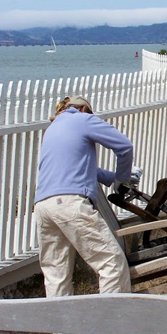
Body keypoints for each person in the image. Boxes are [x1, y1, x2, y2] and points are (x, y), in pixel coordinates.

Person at [34, 95, 134, 297]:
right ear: (84, 109)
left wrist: (113, 178)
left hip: (44, 207)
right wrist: (122, 183)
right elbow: (125, 147)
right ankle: (112, 325)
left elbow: (82, 168)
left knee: (56, 274)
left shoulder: (52, 128)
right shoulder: (83, 119)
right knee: (111, 262)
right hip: (70, 204)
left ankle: (65, 329)